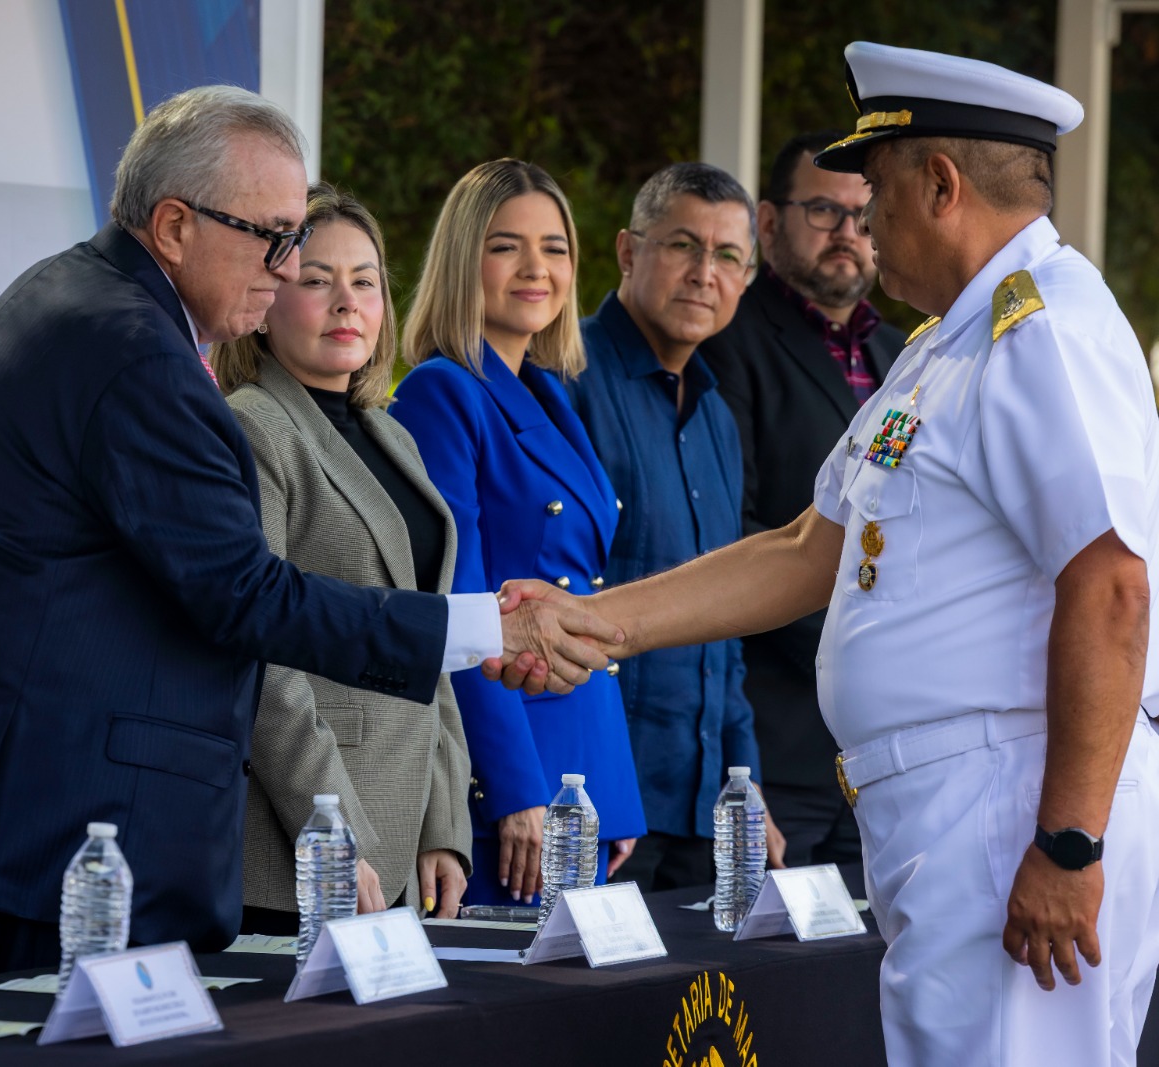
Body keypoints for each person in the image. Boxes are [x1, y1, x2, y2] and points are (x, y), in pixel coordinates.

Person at [493, 41, 1159, 1066]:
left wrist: (1068, 841)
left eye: (876, 193)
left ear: (940, 185)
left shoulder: (1043, 330)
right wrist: (596, 620)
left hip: (1013, 802)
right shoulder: (944, 344)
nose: (865, 226)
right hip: (959, 807)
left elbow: (1111, 583)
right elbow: (809, 546)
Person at [0, 88, 616, 975]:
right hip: (54, 836)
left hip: (41, 814)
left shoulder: (83, 297)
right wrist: (486, 627)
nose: (287, 265)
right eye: (272, 237)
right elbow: (245, 595)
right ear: (174, 226)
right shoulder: (132, 350)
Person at [390, 159, 646, 908]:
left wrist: (614, 791)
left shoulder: (549, 391)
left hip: (579, 766)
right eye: (506, 246)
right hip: (514, 778)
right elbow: (459, 602)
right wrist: (511, 787)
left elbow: (583, 594)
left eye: (554, 248)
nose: (537, 268)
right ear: (461, 260)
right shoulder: (440, 390)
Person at [216, 184, 471, 929]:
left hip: (404, 830)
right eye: (317, 279)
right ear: (266, 300)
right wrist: (329, 829)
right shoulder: (251, 426)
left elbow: (430, 636)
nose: (346, 303)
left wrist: (443, 822)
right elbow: (263, 657)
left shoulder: (394, 435)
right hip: (304, 840)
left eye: (364, 282)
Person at [566, 162, 782, 890]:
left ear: (746, 278)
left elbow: (727, 623)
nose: (703, 273)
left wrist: (745, 783)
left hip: (705, 809)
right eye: (683, 245)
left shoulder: (717, 417)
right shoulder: (565, 379)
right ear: (629, 252)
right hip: (595, 804)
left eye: (727, 256)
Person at [699, 133, 903, 869]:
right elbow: (730, 525)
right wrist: (870, 638)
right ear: (769, 221)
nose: (847, 232)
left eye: (861, 214)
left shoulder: (905, 355)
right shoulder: (726, 340)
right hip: (776, 742)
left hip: (889, 748)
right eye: (823, 210)